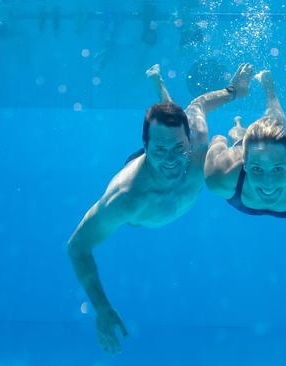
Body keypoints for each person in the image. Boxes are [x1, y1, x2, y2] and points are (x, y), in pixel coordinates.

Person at [66, 63, 255, 353]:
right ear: (144, 144)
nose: (170, 160)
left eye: (179, 148)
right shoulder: (127, 197)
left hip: (178, 165)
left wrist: (233, 92)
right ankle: (157, 85)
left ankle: (159, 83)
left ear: (189, 140)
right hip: (143, 202)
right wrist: (101, 308)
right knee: (170, 116)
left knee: (178, 111)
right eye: (159, 150)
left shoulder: (199, 145)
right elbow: (77, 247)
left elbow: (199, 104)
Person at [204, 70, 286, 218]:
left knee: (277, 120)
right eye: (257, 169)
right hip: (245, 153)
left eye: (277, 169)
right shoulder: (219, 175)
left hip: (264, 153)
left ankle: (270, 90)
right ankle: (239, 128)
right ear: (244, 164)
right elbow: (218, 139)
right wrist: (218, 141)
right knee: (237, 138)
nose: (268, 184)